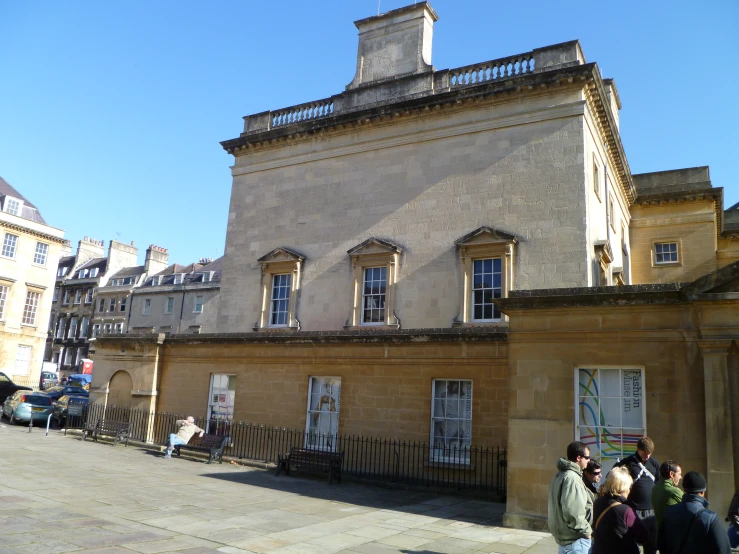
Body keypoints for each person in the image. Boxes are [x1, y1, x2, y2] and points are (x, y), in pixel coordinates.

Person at [658, 471, 731, 554]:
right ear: (703, 492)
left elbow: (661, 545)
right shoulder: (710, 518)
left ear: (684, 489)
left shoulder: (668, 513)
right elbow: (723, 550)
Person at [614, 437, 659, 554]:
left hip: (652, 512)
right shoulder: (628, 463)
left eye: (649, 454)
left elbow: (659, 483)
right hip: (634, 511)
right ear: (638, 449)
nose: (647, 457)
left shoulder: (654, 463)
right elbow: (614, 477)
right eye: (645, 453)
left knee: (652, 547)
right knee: (634, 547)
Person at [547, 441, 593, 553]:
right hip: (576, 540)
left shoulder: (560, 474)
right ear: (578, 458)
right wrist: (587, 532)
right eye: (587, 457)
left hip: (566, 540)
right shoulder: (572, 478)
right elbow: (573, 513)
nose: (589, 460)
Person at [591, 466, 649, 554]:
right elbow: (643, 536)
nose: (630, 490)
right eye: (629, 487)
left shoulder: (598, 502)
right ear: (623, 488)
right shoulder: (626, 510)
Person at [651, 460, 683, 531]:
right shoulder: (673, 491)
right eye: (679, 474)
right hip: (673, 532)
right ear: (672, 474)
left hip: (660, 532)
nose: (681, 477)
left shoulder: (655, 488)